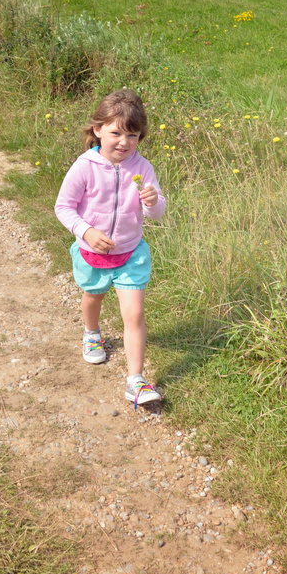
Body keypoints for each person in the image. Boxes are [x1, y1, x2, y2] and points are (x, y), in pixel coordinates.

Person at [54, 89, 166, 407]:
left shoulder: (142, 168)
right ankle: (92, 332)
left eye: (132, 135)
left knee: (135, 314)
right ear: (98, 129)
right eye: (116, 132)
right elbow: (63, 207)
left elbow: (156, 212)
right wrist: (86, 232)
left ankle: (136, 381)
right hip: (93, 253)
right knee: (93, 297)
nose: (124, 142)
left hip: (131, 253)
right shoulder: (84, 167)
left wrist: (154, 202)